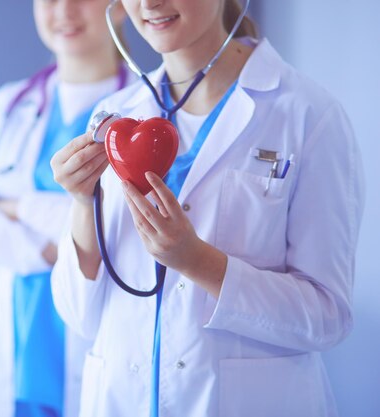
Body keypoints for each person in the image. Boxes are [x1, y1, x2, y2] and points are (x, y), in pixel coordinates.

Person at [50, 0, 365, 416]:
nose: (149, 4)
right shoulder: (115, 119)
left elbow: (328, 316)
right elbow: (79, 316)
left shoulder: (308, 115)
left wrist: (196, 261)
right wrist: (81, 202)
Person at [0, 1, 134, 416]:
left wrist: (15, 206)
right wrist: (62, 244)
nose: (64, 10)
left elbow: (127, 228)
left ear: (120, 7)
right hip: (12, 336)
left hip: (99, 335)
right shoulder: (4, 109)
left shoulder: (143, 114)